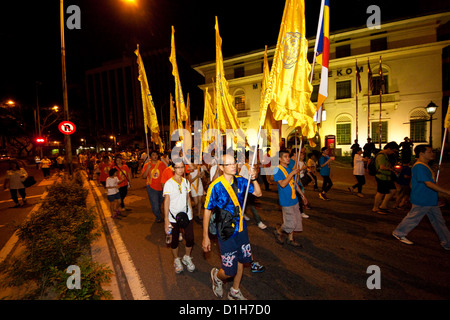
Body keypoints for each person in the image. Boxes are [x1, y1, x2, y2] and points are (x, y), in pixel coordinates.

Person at [202, 154, 262, 300]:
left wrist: (253, 179)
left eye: (234, 163)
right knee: (229, 270)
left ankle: (234, 290)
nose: (233, 166)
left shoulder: (241, 181)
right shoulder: (215, 186)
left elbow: (258, 193)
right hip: (226, 231)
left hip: (241, 229)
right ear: (221, 167)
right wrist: (205, 237)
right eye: (229, 164)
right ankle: (217, 276)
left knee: (242, 260)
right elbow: (207, 211)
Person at [392, 144, 450, 250]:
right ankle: (399, 232)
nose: (432, 154)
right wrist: (446, 191)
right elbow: (428, 183)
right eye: (430, 152)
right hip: (422, 198)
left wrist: (434, 170)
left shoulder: (424, 166)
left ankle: (447, 242)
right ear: (421, 153)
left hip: (429, 198)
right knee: (414, 218)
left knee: (438, 222)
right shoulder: (419, 166)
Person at [163, 163, 195, 273]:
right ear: (173, 168)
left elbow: (188, 198)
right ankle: (176, 259)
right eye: (178, 167)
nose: (181, 170)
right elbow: (166, 201)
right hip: (173, 217)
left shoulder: (186, 182)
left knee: (190, 238)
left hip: (186, 215)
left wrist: (191, 212)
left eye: (182, 167)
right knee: (174, 240)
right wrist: (166, 219)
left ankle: (187, 257)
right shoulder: (168, 184)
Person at [273, 150, 306, 247]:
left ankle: (290, 239)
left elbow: (294, 183)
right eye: (285, 156)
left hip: (294, 199)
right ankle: (278, 231)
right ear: (279, 158)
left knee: (296, 220)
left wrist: (302, 195)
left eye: (288, 156)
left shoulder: (289, 169)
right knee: (290, 223)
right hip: (286, 201)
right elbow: (282, 184)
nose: (288, 158)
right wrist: (292, 173)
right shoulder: (277, 170)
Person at [239, 156, 267, 229]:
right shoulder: (245, 166)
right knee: (249, 204)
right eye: (251, 158)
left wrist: (254, 174)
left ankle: (245, 214)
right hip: (245, 188)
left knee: (250, 204)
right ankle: (259, 221)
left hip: (251, 188)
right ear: (247, 159)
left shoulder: (253, 166)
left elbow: (256, 176)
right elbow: (241, 176)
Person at [371, 141, 400, 214]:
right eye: (393, 151)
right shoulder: (381, 156)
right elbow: (382, 167)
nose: (393, 153)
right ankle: (375, 208)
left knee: (393, 190)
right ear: (389, 148)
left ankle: (383, 205)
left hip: (387, 177)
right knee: (381, 192)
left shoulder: (385, 155)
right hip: (381, 176)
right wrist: (392, 169)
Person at [142, 150, 167, 223]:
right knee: (155, 204)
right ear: (150, 156)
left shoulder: (161, 164)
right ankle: (158, 217)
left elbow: (165, 174)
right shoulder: (147, 165)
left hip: (161, 187)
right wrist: (147, 168)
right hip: (151, 187)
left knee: (159, 202)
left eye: (156, 155)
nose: (155, 156)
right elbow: (144, 176)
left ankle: (158, 212)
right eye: (153, 155)